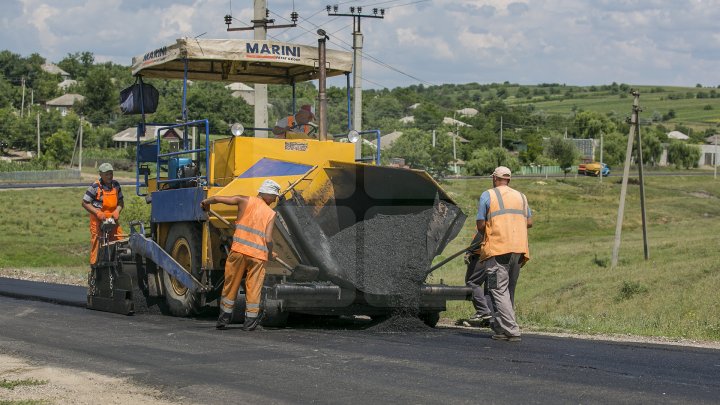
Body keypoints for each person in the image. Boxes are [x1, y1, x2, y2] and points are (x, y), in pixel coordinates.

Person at [200, 179, 281, 331]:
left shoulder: (244, 200)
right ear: (268, 196)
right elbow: (268, 239)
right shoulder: (271, 213)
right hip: (258, 256)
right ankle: (249, 323)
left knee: (230, 284)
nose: (275, 200)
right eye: (275, 197)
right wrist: (270, 253)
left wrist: (206, 202)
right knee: (254, 287)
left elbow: (218, 198)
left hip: (238, 252)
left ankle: (224, 319)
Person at [473, 166, 532, 342]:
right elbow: (529, 222)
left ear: (494, 178)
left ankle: (512, 330)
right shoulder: (521, 197)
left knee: (497, 289)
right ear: (509, 179)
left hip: (498, 250)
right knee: (508, 291)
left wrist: (490, 230)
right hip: (519, 250)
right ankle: (500, 329)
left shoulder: (488, 195)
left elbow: (480, 224)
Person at [81, 163, 124, 266]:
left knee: (120, 240)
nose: (109, 176)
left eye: (111, 173)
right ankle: (95, 268)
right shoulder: (95, 186)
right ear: (100, 174)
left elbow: (121, 202)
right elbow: (85, 202)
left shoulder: (116, 185)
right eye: (107, 174)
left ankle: (118, 266)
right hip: (98, 220)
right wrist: (97, 213)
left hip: (113, 219)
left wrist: (117, 210)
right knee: (97, 243)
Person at [463, 231, 493, 327]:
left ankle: (483, 311)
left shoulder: (487, 217)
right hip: (497, 259)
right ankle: (491, 319)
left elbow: (481, 233)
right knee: (491, 289)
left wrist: (470, 251)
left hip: (482, 256)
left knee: (472, 282)